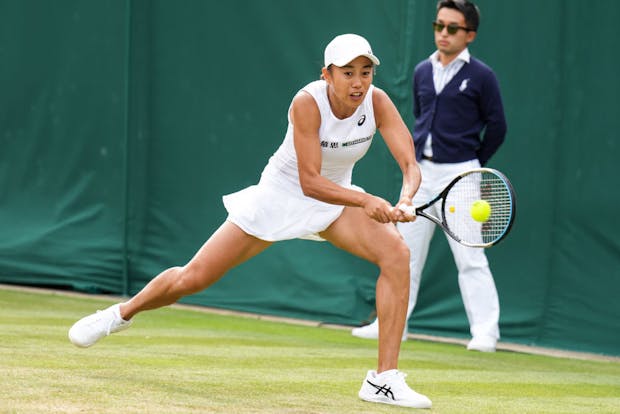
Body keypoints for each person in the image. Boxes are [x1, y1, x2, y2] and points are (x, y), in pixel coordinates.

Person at [68, 34, 432, 409]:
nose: (358, 82)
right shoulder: (307, 103)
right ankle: (120, 313)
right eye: (348, 72)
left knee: (395, 253)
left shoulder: (378, 102)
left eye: (366, 71)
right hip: (281, 194)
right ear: (327, 74)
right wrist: (366, 200)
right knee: (193, 278)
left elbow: (409, 164)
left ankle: (383, 380)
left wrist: (406, 198)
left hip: (335, 199)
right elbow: (309, 180)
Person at [352, 0, 507, 353]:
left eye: (452, 28)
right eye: (439, 26)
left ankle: (486, 333)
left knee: (469, 256)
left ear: (469, 35)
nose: (443, 34)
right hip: (422, 175)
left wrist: (471, 164)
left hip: (463, 175)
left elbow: (497, 126)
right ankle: (392, 325)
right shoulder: (423, 70)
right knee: (402, 252)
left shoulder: (482, 76)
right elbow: (421, 116)